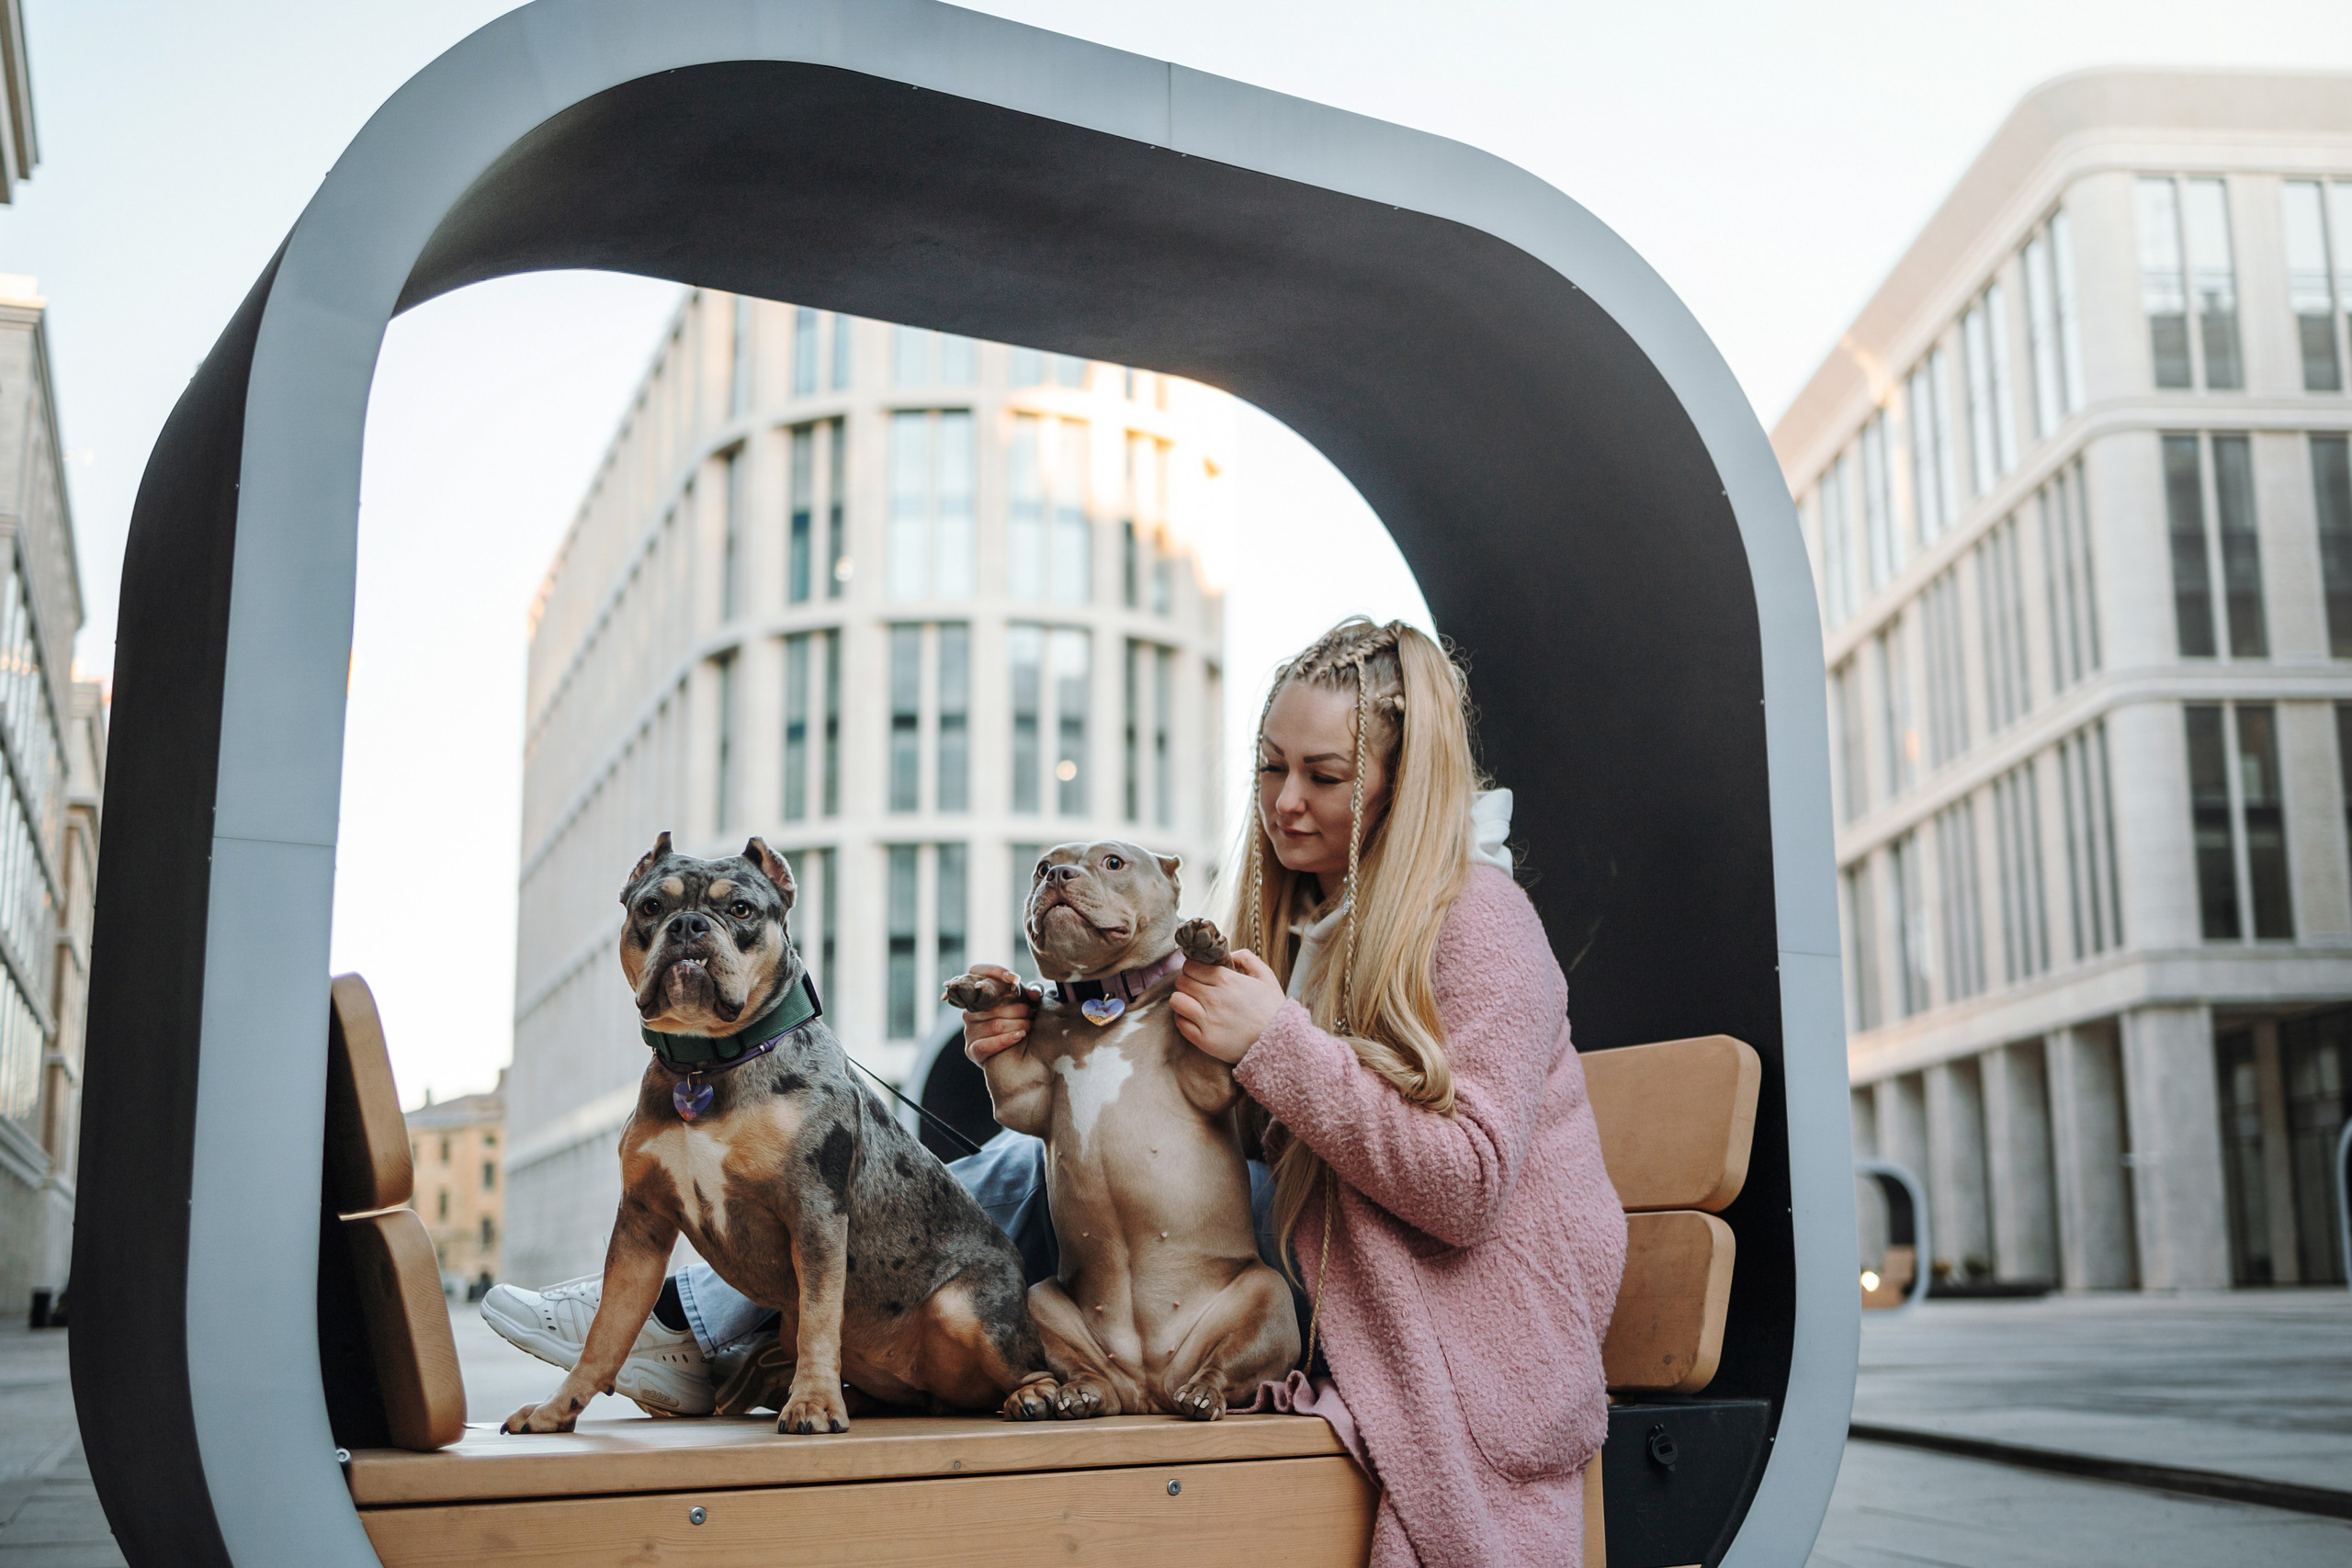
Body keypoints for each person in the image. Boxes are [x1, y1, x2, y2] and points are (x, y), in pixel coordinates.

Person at [964, 617, 1625, 1567]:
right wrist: (1052, 1050)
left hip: (1453, 1304)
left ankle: (720, 1319)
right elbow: (1209, 1125)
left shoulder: (1480, 922)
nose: (1285, 802)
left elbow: (1470, 1186)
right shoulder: (1285, 925)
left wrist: (1275, 1044)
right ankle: (751, 1320)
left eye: (1325, 777)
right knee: (1030, 1152)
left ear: (1404, 781)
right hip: (1313, 1251)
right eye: (1270, 768)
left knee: (1010, 1174)